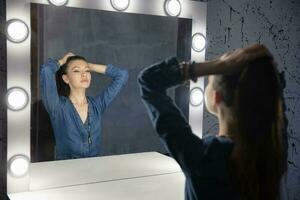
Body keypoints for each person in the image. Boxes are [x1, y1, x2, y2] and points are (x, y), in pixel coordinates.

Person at [138, 44, 286, 200]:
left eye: (209, 81)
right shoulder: (273, 151)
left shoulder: (204, 158)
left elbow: (148, 80)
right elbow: (272, 90)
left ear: (216, 97)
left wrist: (221, 65)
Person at [40, 52, 128, 160]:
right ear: (66, 78)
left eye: (87, 71)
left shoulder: (97, 105)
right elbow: (46, 70)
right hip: (66, 170)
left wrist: (89, 65)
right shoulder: (57, 107)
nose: (84, 74)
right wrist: (62, 61)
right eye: (76, 70)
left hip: (94, 170)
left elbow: (122, 75)